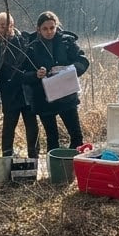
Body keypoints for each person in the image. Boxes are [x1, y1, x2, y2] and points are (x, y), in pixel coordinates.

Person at [24, 11, 90, 153]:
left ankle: (74, 167)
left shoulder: (67, 41)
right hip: (43, 99)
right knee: (52, 138)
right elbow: (23, 75)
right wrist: (36, 74)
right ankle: (56, 169)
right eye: (45, 29)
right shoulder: (31, 47)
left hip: (67, 95)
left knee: (76, 136)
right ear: (38, 29)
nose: (49, 32)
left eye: (52, 28)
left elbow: (83, 60)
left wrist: (70, 70)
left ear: (56, 26)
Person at [0, 12, 38, 158]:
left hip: (27, 92)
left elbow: (33, 66)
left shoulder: (23, 42)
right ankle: (7, 156)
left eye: (9, 25)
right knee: (8, 128)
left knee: (32, 127)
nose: (6, 28)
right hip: (8, 94)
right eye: (2, 26)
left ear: (13, 26)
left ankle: (34, 156)